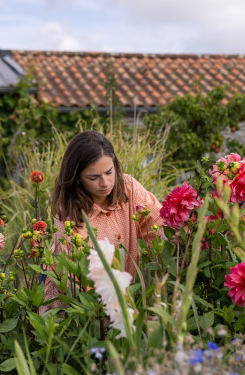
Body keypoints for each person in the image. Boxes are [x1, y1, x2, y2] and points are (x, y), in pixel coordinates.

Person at [43, 130, 163, 311]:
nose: (105, 183)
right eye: (93, 177)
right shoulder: (68, 214)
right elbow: (73, 281)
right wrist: (113, 308)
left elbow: (160, 226)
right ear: (77, 178)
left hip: (121, 304)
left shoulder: (129, 188)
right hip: (77, 309)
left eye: (109, 172)